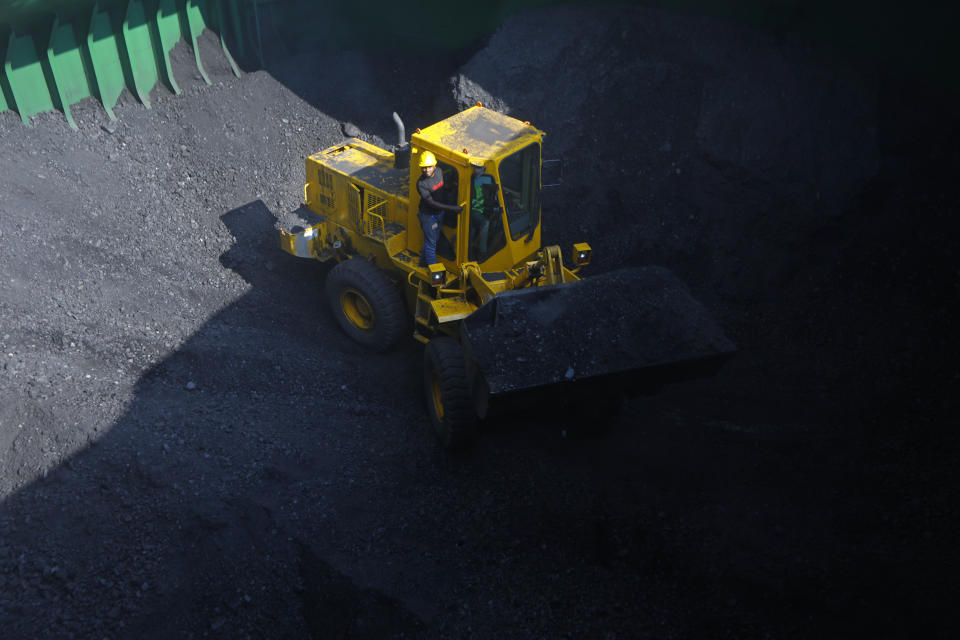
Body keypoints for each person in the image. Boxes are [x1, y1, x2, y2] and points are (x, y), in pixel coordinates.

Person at [416, 151, 461, 266]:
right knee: (431, 245)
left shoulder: (440, 172)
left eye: (429, 167)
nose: (427, 170)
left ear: (434, 166)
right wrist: (452, 208)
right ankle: (435, 275)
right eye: (424, 167)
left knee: (433, 239)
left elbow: (444, 187)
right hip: (428, 216)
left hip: (440, 213)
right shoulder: (421, 184)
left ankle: (422, 262)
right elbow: (432, 204)